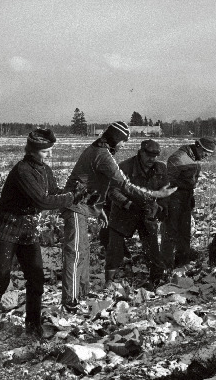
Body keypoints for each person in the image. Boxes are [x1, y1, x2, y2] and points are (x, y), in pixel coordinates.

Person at [0, 128, 89, 339]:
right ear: (32, 151)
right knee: (0, 278)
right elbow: (41, 200)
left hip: (27, 229)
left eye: (50, 150)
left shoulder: (44, 170)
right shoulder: (22, 171)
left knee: (36, 277)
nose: (48, 154)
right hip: (6, 228)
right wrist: (70, 198)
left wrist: (77, 194)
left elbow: (53, 192)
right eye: (44, 151)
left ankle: (33, 328)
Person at [61, 121, 176, 312]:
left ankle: (81, 293)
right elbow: (124, 185)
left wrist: (98, 210)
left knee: (83, 250)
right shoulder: (104, 155)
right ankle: (70, 301)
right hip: (76, 206)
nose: (122, 145)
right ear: (115, 139)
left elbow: (92, 182)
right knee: (75, 253)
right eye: (122, 141)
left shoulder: (98, 149)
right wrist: (155, 195)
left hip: (84, 205)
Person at [105, 139, 169, 286]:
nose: (151, 159)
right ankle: (109, 281)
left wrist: (157, 208)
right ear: (140, 152)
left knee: (152, 248)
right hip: (124, 212)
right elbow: (113, 191)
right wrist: (127, 204)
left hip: (146, 213)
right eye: (148, 155)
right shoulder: (124, 167)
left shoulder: (161, 169)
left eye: (155, 156)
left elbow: (165, 193)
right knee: (115, 249)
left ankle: (156, 280)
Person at [161, 136, 216, 268]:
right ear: (198, 147)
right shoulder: (178, 158)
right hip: (173, 199)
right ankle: (166, 265)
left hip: (185, 199)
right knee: (170, 232)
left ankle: (182, 263)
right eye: (205, 153)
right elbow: (168, 182)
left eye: (208, 155)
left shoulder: (193, 160)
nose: (205, 156)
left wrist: (190, 196)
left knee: (185, 233)